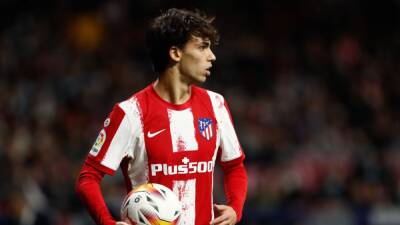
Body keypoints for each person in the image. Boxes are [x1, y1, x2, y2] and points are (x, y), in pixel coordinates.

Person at [76, 8, 247, 225]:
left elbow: (234, 166)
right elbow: (88, 177)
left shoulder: (216, 105)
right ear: (175, 53)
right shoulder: (131, 112)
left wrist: (235, 209)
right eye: (203, 47)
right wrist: (107, 222)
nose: (212, 56)